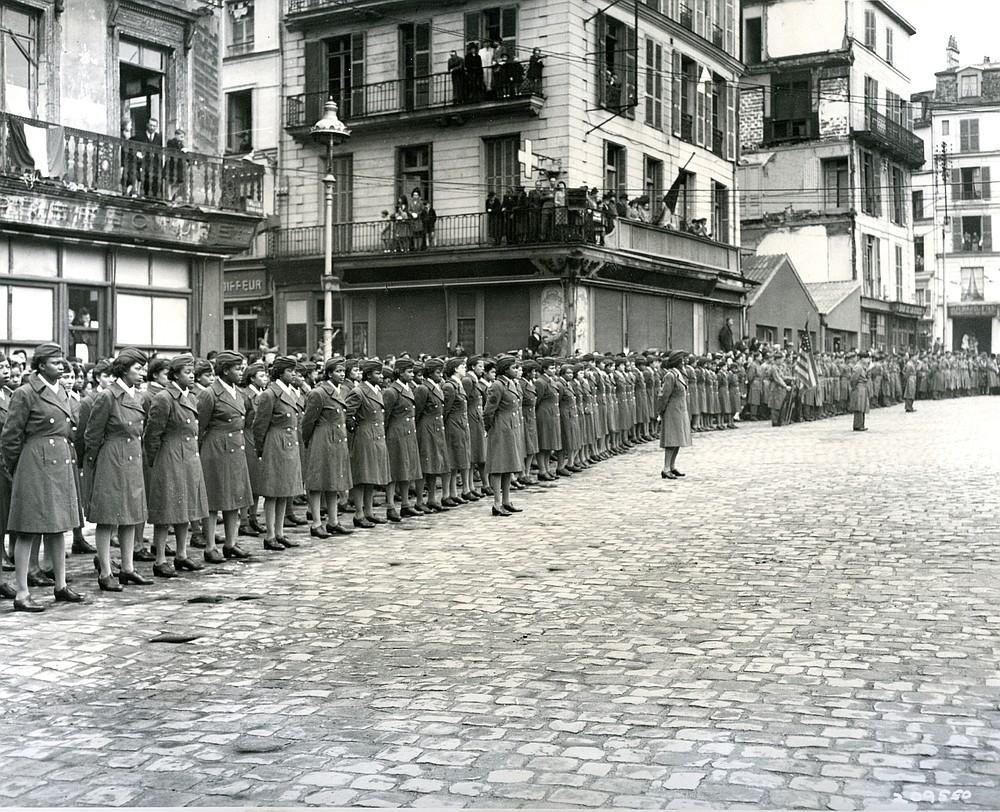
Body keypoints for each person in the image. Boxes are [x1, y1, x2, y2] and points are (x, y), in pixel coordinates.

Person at [1, 344, 84, 610]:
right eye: (55, 362)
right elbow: (10, 438)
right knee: (28, 529)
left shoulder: (62, 392)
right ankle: (22, 593)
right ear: (40, 366)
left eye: (62, 362)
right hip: (34, 463)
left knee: (59, 527)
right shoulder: (26, 393)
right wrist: (20, 469)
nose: (61, 366)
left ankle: (60, 585)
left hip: (60, 461)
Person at [85, 347, 150, 591]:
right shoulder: (108, 396)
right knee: (108, 516)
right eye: (137, 368)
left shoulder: (138, 396)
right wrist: (95, 462)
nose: (142, 373)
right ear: (123, 370)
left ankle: (128, 568)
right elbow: (92, 434)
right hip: (112, 458)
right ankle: (105, 572)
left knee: (130, 515)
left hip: (132, 457)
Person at [143, 354, 209, 578]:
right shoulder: (164, 398)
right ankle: (160, 558)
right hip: (169, 458)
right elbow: (152, 434)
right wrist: (156, 461)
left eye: (192, 373)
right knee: (166, 510)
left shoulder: (189, 396)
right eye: (187, 373)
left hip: (189, 458)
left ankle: (181, 555)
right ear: (175, 375)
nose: (191, 377)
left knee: (187, 507)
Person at [197, 351, 255, 562]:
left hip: (235, 449)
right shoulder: (210, 394)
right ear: (224, 370)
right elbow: (200, 426)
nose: (241, 373)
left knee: (235, 497)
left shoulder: (239, 394)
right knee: (213, 499)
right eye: (237, 369)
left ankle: (231, 543)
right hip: (215, 449)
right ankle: (210, 546)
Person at [252, 355, 304, 551]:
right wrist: (261, 450)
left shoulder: (290, 392)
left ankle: (280, 533)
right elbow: (260, 425)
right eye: (290, 371)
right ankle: (270, 535)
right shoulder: (269, 394)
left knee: (285, 490)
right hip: (274, 444)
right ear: (280, 373)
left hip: (289, 443)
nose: (293, 374)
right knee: (273, 493)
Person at [302, 356, 354, 537]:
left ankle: (333, 521)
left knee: (334, 481)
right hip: (322, 441)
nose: (342, 374)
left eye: (343, 371)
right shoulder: (319, 393)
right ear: (329, 373)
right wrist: (309, 441)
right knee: (317, 483)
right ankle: (316, 523)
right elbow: (308, 422)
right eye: (338, 371)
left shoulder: (340, 390)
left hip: (337, 441)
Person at [344, 359, 391, 527]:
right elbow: (347, 413)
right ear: (368, 374)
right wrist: (354, 428)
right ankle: (358, 513)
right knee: (361, 477)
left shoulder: (377, 390)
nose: (381, 376)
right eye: (377, 373)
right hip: (364, 437)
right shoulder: (359, 392)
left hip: (377, 436)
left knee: (371, 476)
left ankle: (369, 512)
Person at [482, 355, 525, 516]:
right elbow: (488, 412)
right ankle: (497, 503)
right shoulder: (497, 386)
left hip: (511, 427)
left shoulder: (511, 384)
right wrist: (490, 429)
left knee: (509, 466)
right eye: (514, 368)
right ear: (505, 369)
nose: (517, 370)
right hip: (500, 428)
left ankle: (506, 501)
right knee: (498, 467)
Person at [382, 358, 422, 521]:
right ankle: (391, 506)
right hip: (396, 435)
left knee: (407, 469)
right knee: (394, 471)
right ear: (399, 372)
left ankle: (405, 505)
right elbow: (386, 416)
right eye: (409, 372)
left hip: (408, 433)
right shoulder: (391, 391)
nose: (412, 375)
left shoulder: (409, 388)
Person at [413, 358, 449, 513]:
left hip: (436, 428)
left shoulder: (437, 387)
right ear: (429, 373)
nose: (440, 375)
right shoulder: (423, 388)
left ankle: (432, 499)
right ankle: (420, 500)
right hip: (426, 428)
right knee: (424, 465)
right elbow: (417, 412)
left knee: (435, 464)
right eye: (437, 372)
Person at [441, 357, 473, 506]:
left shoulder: (458, 384)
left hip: (460, 424)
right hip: (453, 425)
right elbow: (445, 410)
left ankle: (454, 492)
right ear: (455, 369)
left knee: (458, 458)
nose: (464, 369)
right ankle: (448, 493)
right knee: (452, 459)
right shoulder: (449, 386)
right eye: (462, 366)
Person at [657, 350, 691, 480]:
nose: (685, 362)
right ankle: (666, 468)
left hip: (679, 411)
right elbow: (663, 395)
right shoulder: (670, 376)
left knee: (678, 441)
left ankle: (672, 466)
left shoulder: (679, 374)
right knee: (671, 441)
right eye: (683, 360)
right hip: (672, 412)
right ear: (678, 362)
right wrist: (660, 411)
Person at [849, 350, 871, 431]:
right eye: (866, 358)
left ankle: (861, 424)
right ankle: (857, 425)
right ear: (861, 359)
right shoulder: (858, 367)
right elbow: (853, 379)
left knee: (863, 406)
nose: (868, 360)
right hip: (859, 388)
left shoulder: (863, 367)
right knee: (859, 406)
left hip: (863, 388)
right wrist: (854, 388)